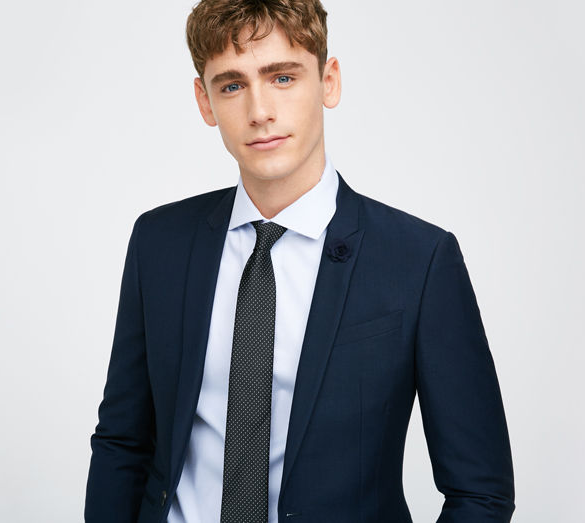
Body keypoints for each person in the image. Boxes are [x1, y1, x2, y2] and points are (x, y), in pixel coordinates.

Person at [85, 1, 515, 522]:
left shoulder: (419, 260)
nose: (259, 111)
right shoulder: (160, 243)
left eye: (283, 77)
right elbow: (122, 442)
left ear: (328, 81)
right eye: (232, 85)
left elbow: (480, 491)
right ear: (204, 101)